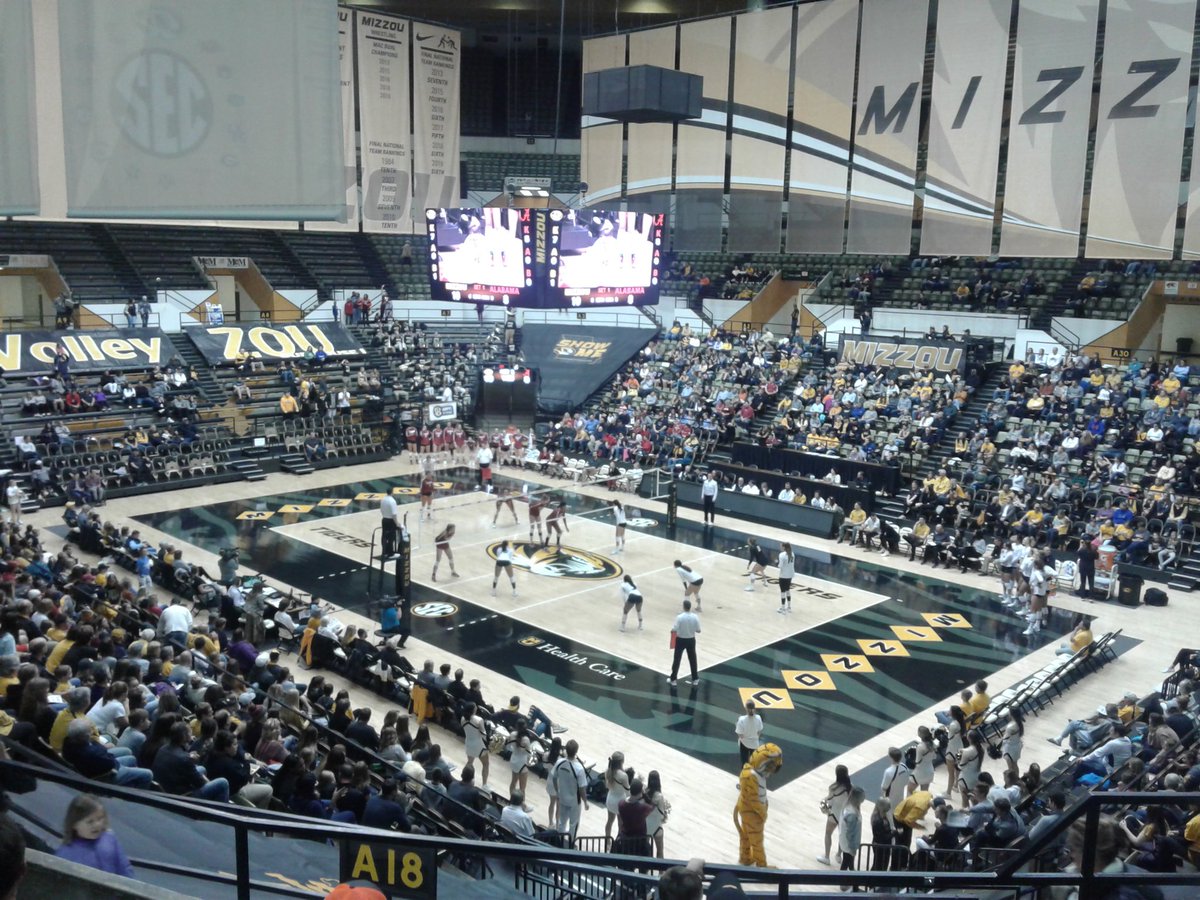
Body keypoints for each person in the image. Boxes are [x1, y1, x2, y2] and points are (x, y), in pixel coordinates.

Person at [55, 795, 134, 878]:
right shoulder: (65, 854)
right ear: (74, 824)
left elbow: (124, 868)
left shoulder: (109, 838)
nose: (97, 824)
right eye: (90, 821)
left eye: (100, 818)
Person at [734, 743, 783, 867]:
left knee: (745, 835)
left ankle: (744, 857)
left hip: (746, 809)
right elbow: (753, 799)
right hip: (752, 813)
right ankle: (762, 865)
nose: (772, 770)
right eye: (771, 766)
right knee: (757, 841)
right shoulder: (751, 776)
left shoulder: (752, 773)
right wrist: (763, 813)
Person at [550, 739, 589, 841]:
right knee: (573, 824)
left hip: (562, 797)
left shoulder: (559, 762)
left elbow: (554, 778)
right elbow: (581, 789)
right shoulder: (579, 768)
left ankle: (560, 842)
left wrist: (557, 792)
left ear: (566, 750)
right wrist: (585, 802)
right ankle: (570, 845)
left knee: (562, 822)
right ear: (576, 751)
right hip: (574, 802)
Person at [817, 765, 852, 865]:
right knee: (842, 835)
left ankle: (827, 857)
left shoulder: (833, 787)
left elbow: (829, 801)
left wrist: (823, 803)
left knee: (828, 834)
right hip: (845, 815)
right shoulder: (850, 787)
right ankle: (839, 855)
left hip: (834, 815)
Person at [614, 778, 654, 857]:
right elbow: (652, 807)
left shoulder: (621, 804)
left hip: (625, 839)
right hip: (639, 841)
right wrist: (645, 795)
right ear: (640, 792)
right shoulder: (642, 808)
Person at [668, 599, 701, 687]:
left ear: (684, 607)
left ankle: (673, 679)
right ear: (690, 607)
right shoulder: (695, 617)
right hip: (691, 640)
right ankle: (695, 678)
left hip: (681, 640)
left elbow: (674, 629)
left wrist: (672, 631)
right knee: (693, 659)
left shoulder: (680, 617)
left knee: (677, 659)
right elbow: (698, 630)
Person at [604, 751, 631, 841]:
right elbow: (627, 792)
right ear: (621, 762)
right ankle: (618, 844)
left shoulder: (608, 771)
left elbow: (607, 786)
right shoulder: (623, 775)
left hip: (610, 799)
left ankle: (607, 842)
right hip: (620, 802)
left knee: (609, 821)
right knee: (620, 824)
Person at [462, 702, 490, 788]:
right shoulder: (478, 720)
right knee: (486, 764)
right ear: (473, 710)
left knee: (470, 762)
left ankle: (464, 778)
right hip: (479, 745)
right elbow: (483, 735)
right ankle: (484, 785)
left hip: (468, 743)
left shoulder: (462, 718)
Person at [645, 769, 671, 858]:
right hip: (657, 827)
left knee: (645, 849)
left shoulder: (645, 792)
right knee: (660, 851)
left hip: (646, 826)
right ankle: (661, 871)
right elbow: (662, 812)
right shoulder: (659, 796)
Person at [880, 747, 910, 813]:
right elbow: (907, 781)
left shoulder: (889, 771)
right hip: (900, 797)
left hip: (890, 799)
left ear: (891, 758)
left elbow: (884, 787)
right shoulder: (904, 767)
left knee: (889, 815)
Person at [735, 700, 764, 766]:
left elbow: (740, 735)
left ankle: (745, 775)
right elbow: (759, 731)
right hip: (755, 744)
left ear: (746, 708)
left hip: (744, 744)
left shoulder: (741, 720)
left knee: (744, 763)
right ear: (754, 708)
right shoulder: (758, 718)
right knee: (753, 763)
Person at [380, 492, 400, 558]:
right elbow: (394, 514)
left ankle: (384, 551)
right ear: (392, 492)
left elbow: (381, 510)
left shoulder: (383, 499)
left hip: (384, 519)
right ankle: (391, 553)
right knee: (391, 537)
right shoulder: (392, 501)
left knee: (384, 536)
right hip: (391, 521)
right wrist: (397, 523)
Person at [777, 542, 795, 614]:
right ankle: (789, 607)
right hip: (790, 575)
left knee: (782, 591)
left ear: (784, 547)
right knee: (788, 590)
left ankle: (783, 608)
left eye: (781, 546)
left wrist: (776, 563)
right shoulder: (792, 553)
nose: (780, 547)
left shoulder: (781, 555)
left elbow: (780, 566)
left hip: (783, 575)